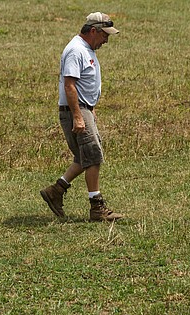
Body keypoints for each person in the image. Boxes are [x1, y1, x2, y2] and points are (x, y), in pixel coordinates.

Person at [40, 12, 124, 222]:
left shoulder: (85, 49)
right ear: (93, 31)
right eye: (105, 35)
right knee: (93, 156)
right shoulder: (76, 50)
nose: (106, 40)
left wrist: (90, 109)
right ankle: (96, 207)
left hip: (83, 109)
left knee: (84, 157)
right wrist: (78, 116)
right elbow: (69, 84)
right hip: (75, 110)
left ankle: (55, 191)